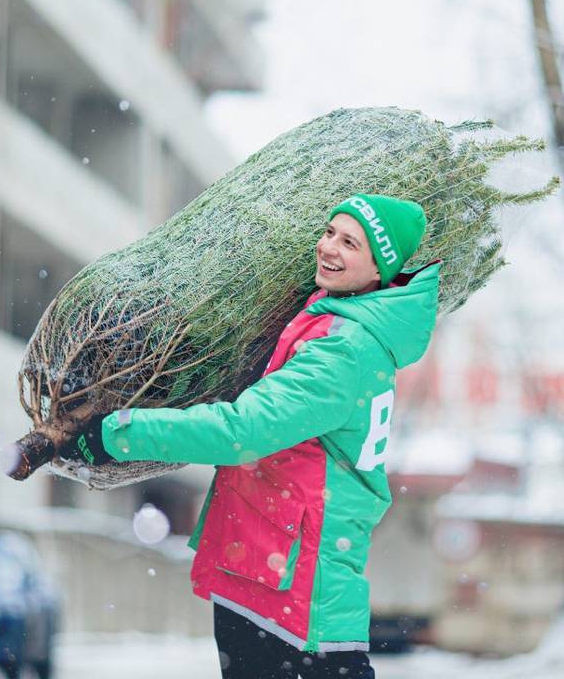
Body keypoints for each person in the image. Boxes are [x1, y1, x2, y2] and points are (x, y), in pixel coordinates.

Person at [62, 193, 439, 679]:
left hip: (291, 595)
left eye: (351, 243)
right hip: (274, 575)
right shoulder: (338, 322)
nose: (330, 248)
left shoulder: (344, 350)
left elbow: (243, 431)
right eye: (330, 232)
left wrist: (117, 434)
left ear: (377, 271)